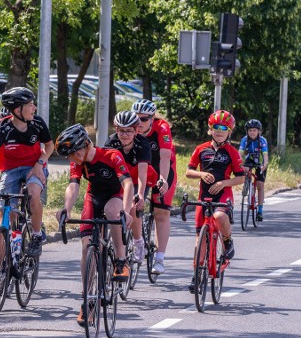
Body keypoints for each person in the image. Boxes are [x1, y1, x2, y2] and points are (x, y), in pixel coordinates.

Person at [54, 124, 134, 326]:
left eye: (70, 155)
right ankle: (87, 299)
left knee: (112, 212)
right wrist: (67, 208)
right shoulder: (78, 162)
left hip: (115, 196)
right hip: (94, 197)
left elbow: (127, 184)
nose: (69, 159)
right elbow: (73, 186)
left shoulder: (111, 155)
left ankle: (120, 260)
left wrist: (126, 210)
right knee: (86, 246)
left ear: (80, 149)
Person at [0, 88, 53, 259]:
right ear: (17, 110)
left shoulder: (37, 123)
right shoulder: (4, 128)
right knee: (5, 219)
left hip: (33, 167)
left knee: (32, 193)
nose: (34, 108)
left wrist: (40, 163)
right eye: (30, 105)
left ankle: (36, 235)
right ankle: (1, 273)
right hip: (11, 171)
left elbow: (50, 146)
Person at [185, 110, 245, 294]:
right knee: (199, 241)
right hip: (204, 196)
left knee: (219, 216)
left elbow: (241, 177)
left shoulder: (232, 152)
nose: (219, 131)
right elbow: (189, 171)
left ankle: (227, 241)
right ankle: (197, 274)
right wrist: (201, 174)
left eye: (224, 128)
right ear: (210, 130)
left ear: (229, 132)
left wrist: (223, 183)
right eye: (216, 127)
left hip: (223, 194)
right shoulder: (201, 149)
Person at [105, 110, 158, 266]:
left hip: (138, 179)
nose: (125, 134)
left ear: (136, 131)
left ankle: (138, 241)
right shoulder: (111, 143)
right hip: (120, 179)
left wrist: (140, 194)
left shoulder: (143, 144)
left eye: (129, 130)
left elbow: (143, 172)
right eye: (121, 130)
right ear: (116, 130)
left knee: (134, 205)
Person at [132, 99, 178, 275]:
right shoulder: (131, 128)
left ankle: (159, 258)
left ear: (152, 119)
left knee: (161, 213)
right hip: (141, 170)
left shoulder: (162, 128)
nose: (140, 123)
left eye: (144, 119)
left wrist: (163, 179)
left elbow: (166, 157)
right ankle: (137, 242)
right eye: (137, 119)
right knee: (132, 205)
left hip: (162, 170)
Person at [239, 119, 269, 221]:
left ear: (259, 131)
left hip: (260, 163)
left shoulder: (263, 140)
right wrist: (240, 164)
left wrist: (265, 164)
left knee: (260, 186)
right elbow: (240, 154)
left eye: (254, 130)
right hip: (249, 161)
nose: (252, 132)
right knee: (245, 168)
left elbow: (265, 155)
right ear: (247, 131)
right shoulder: (244, 140)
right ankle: (247, 184)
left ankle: (260, 211)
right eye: (250, 130)